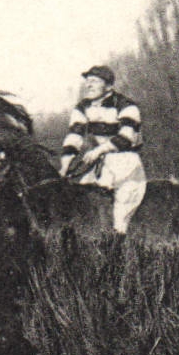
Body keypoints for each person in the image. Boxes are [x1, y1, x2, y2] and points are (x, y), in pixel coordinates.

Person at [61, 64, 147, 234]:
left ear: (108, 86)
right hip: (100, 163)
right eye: (88, 81)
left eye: (94, 81)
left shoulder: (126, 105)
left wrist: (98, 151)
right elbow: (74, 136)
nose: (89, 85)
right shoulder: (83, 107)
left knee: (122, 209)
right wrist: (65, 165)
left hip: (125, 162)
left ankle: (118, 241)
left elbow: (126, 138)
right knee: (84, 201)